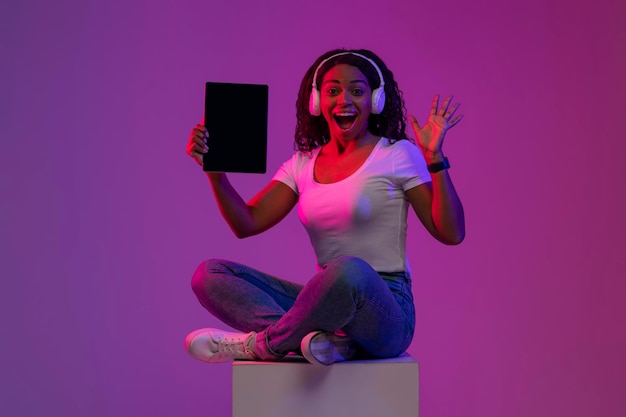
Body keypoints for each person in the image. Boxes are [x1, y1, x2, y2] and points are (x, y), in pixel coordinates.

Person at [184, 48, 464, 366]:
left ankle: (263, 345)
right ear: (317, 101)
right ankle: (325, 343)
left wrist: (435, 162)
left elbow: (451, 233)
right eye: (333, 91)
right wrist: (216, 175)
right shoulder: (302, 164)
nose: (344, 100)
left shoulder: (397, 154)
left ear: (375, 100)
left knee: (349, 269)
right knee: (208, 275)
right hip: (327, 301)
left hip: (387, 311)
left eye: (357, 91)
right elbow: (246, 223)